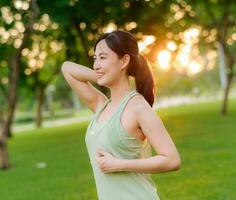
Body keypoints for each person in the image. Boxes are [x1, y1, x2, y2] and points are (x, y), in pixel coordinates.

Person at [62, 30, 181, 200]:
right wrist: (102, 74)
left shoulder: (138, 107)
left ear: (124, 60)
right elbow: (67, 68)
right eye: (95, 58)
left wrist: (119, 164)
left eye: (103, 58)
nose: (96, 64)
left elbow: (172, 160)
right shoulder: (101, 105)